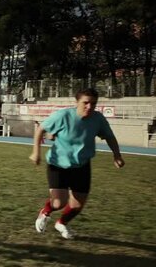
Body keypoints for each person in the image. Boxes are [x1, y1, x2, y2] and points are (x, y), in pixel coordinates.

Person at [30, 88, 125, 240]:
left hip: (82, 165)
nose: (89, 107)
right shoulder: (63, 115)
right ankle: (45, 212)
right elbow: (41, 129)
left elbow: (109, 137)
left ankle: (61, 223)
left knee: (77, 205)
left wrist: (117, 155)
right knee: (58, 202)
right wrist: (36, 152)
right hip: (58, 164)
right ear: (77, 102)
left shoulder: (98, 119)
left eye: (93, 104)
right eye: (85, 103)